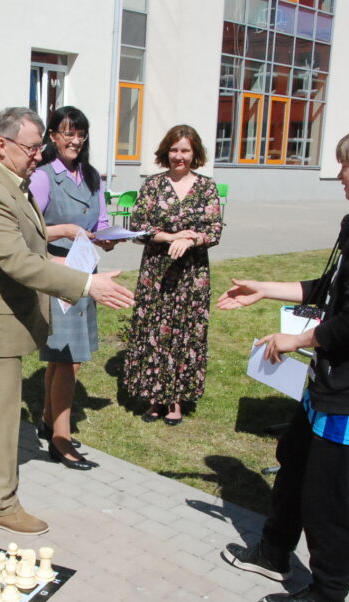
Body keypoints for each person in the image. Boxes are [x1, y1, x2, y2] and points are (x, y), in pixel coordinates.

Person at [216, 122, 349, 602]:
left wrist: (296, 340)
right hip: (329, 383)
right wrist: (264, 288)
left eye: (346, 164)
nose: (339, 173)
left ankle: (328, 598)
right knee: (295, 463)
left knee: (332, 498)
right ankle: (274, 552)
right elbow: (329, 289)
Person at [0, 106, 135, 535]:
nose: (39, 155)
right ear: (2, 145)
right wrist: (86, 284)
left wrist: (75, 267)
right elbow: (18, 263)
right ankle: (1, 505)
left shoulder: (9, 182)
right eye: (32, 148)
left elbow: (30, 249)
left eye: (38, 147)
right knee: (1, 414)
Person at [28, 106, 117, 471]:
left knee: (63, 357)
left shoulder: (92, 176)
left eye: (80, 134)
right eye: (68, 133)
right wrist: (63, 230)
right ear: (52, 136)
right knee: (67, 358)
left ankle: (49, 423)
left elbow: (101, 222)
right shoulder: (43, 177)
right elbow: (27, 230)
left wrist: (108, 237)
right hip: (57, 274)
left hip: (85, 272)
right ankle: (61, 442)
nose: (75, 140)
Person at [121, 124, 223, 426]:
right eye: (174, 150)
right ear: (166, 152)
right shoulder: (153, 184)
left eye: (185, 150)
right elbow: (138, 226)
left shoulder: (206, 186)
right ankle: (154, 397)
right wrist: (170, 237)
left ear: (195, 153)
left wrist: (191, 240)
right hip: (157, 271)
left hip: (192, 274)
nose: (179, 156)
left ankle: (176, 398)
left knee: (185, 331)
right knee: (154, 329)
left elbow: (214, 229)